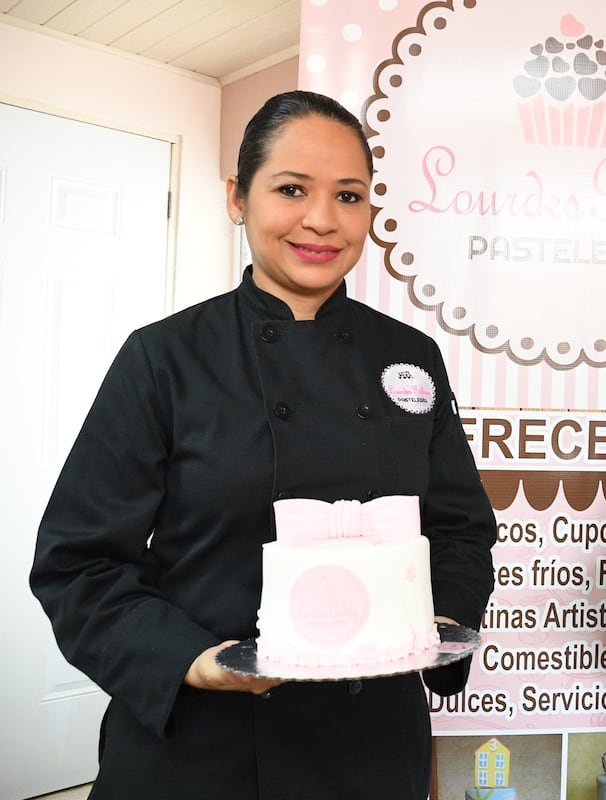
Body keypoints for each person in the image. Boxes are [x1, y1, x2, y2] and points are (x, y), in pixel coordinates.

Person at [29, 90, 497, 800]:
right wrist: (194, 660)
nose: (321, 219)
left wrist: (440, 622)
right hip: (197, 746)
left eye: (348, 195)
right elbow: (79, 563)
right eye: (290, 189)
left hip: (369, 746)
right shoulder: (164, 358)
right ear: (236, 197)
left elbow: (461, 529)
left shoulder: (410, 356)